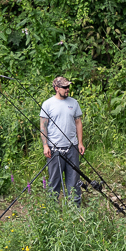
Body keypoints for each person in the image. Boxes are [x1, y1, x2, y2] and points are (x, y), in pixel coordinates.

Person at [40, 76, 85, 206]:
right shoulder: (47, 104)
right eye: (64, 87)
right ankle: (52, 207)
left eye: (68, 86)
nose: (67, 89)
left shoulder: (74, 103)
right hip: (54, 149)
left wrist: (80, 143)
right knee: (54, 180)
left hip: (72, 147)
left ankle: (75, 208)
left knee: (74, 180)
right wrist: (45, 146)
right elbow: (43, 126)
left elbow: (78, 122)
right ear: (56, 88)